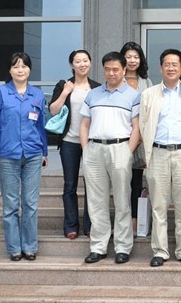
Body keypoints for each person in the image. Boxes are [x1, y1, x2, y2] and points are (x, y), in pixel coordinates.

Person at [0, 52, 48, 261]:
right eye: (16, 66)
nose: (20, 70)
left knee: (30, 203)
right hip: (7, 155)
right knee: (11, 204)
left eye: (24, 66)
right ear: (10, 70)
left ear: (30, 69)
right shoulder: (0, 93)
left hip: (33, 154)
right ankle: (14, 248)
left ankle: (29, 247)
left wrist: (44, 152)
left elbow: (40, 126)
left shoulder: (37, 95)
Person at [139, 49, 181, 267]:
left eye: (175, 64)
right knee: (158, 206)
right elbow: (143, 124)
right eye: (167, 64)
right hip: (158, 154)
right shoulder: (149, 94)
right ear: (161, 68)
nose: (171, 68)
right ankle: (160, 251)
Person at [80, 51, 141, 264]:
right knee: (96, 201)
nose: (111, 73)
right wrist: (86, 149)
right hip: (94, 150)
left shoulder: (133, 95)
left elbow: (137, 127)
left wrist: (127, 151)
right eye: (107, 69)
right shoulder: (93, 94)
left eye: (115, 69)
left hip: (120, 149)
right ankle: (98, 246)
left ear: (124, 70)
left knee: (123, 200)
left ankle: (123, 247)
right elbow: (84, 124)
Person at [49, 49, 101, 239]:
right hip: (69, 142)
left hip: (91, 143)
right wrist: (65, 92)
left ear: (90, 62)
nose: (82, 64)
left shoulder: (97, 88)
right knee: (70, 185)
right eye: (78, 61)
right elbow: (53, 110)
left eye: (85, 60)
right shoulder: (64, 85)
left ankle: (90, 225)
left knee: (92, 185)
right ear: (71, 64)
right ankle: (70, 226)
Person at [120, 41, 153, 237]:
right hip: (119, 138)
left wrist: (142, 134)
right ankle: (122, 220)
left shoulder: (146, 83)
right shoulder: (116, 79)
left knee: (136, 183)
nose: (132, 60)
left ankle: (134, 221)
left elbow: (150, 111)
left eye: (136, 57)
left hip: (140, 140)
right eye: (128, 57)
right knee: (121, 182)